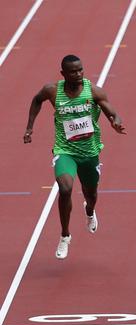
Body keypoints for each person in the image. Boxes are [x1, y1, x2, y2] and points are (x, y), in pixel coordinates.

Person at [23, 54, 126, 260]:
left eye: (80, 70)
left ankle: (89, 211)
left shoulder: (93, 91)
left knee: (91, 195)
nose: (78, 74)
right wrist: (29, 128)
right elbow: (36, 100)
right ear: (63, 74)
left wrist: (115, 122)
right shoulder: (52, 91)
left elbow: (112, 112)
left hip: (89, 153)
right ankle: (65, 235)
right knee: (65, 188)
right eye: (73, 71)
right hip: (65, 151)